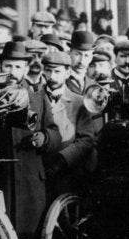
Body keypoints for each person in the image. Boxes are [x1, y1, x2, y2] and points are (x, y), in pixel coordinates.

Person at [0, 42, 60, 239]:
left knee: (32, 236)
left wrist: (44, 137)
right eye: (8, 66)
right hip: (3, 179)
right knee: (2, 234)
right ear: (0, 66)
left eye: (17, 66)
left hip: (31, 181)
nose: (12, 71)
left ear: (25, 69)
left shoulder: (37, 96)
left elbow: (55, 133)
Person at [41, 52, 96, 191]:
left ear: (68, 73)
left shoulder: (79, 103)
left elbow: (86, 139)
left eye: (57, 71)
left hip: (68, 170)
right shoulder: (33, 98)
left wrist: (62, 159)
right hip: (39, 170)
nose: (52, 76)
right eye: (48, 70)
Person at [67, 31, 95, 95]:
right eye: (77, 54)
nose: (81, 61)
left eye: (86, 55)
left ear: (91, 58)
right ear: (69, 54)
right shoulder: (61, 80)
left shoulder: (93, 84)